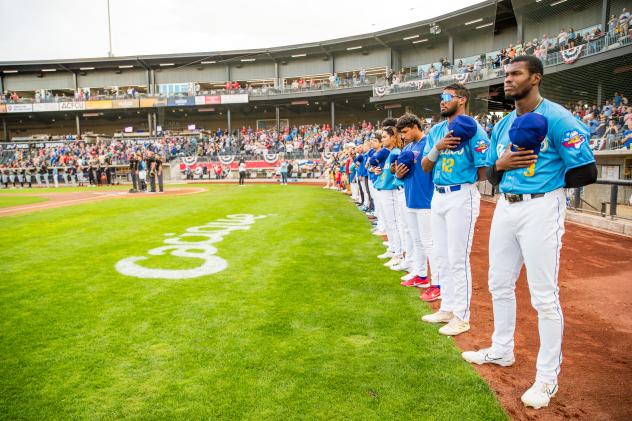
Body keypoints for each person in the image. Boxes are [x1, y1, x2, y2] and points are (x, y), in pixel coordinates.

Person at [461, 55, 597, 409]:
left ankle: (547, 378)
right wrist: (501, 165)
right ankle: (502, 350)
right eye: (505, 74)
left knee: (543, 295)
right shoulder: (505, 123)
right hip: (506, 204)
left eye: (515, 74)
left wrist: (548, 183)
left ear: (535, 78)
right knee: (499, 283)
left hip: (541, 205)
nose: (507, 80)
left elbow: (586, 171)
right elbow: (491, 174)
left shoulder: (557, 117)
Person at [420, 83, 490, 335]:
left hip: (461, 194)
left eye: (446, 97)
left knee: (458, 257)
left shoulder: (474, 128)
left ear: (461, 100)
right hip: (438, 195)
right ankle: (448, 307)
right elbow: (425, 166)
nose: (441, 101)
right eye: (440, 97)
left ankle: (462, 316)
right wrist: (439, 148)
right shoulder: (438, 129)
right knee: (441, 256)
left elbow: (484, 169)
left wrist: (466, 175)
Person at [394, 114, 435, 291]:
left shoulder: (428, 142)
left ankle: (437, 282)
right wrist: (397, 174)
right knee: (417, 241)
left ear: (415, 127)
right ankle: (421, 275)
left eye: (405, 132)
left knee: (429, 243)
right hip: (410, 197)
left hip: (427, 199)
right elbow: (398, 172)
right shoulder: (408, 147)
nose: (403, 136)